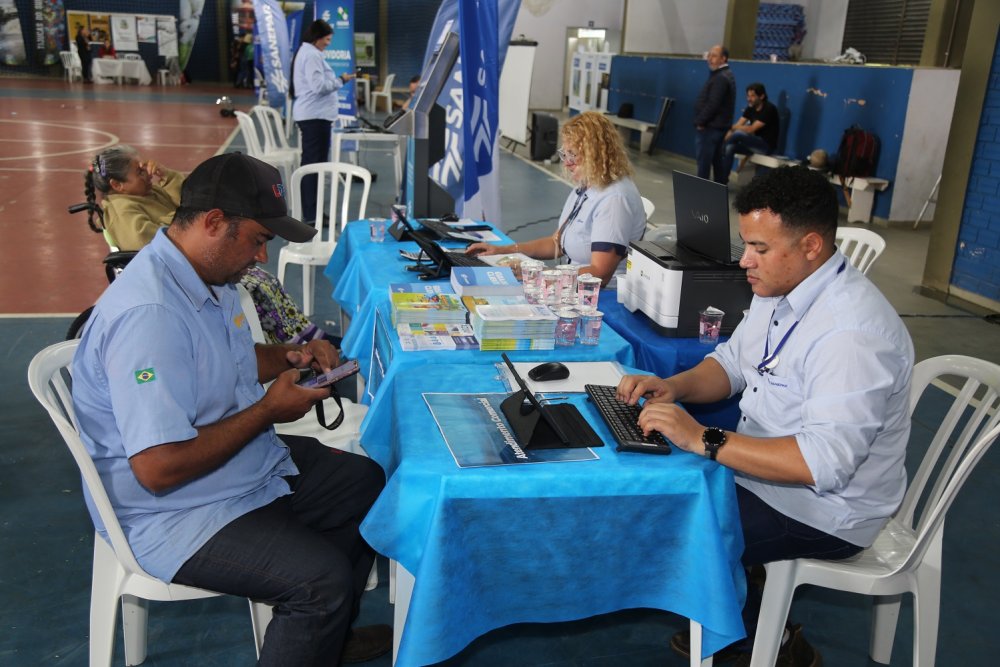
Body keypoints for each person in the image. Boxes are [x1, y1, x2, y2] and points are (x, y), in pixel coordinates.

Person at [72, 153, 391, 665]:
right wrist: (267, 412)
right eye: (258, 239)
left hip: (233, 469)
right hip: (172, 512)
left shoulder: (205, 277)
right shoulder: (150, 317)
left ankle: (322, 640)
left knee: (364, 482)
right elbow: (158, 468)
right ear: (214, 222)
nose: (262, 255)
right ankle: (319, 620)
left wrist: (290, 356)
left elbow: (228, 358)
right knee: (319, 583)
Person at [617, 166, 913, 666]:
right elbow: (732, 364)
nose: (744, 261)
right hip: (763, 475)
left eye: (759, 248)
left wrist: (704, 438)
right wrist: (675, 386)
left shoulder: (852, 336)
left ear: (811, 246)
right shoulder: (781, 289)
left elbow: (821, 464)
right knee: (656, 490)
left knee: (672, 524)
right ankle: (744, 610)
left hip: (824, 511)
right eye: (745, 244)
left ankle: (764, 641)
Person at [84, 145, 336, 346]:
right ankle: (288, 341)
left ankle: (305, 335)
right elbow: (152, 236)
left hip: (187, 258)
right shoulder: (121, 210)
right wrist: (183, 222)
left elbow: (190, 201)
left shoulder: (151, 193)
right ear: (117, 185)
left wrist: (166, 177)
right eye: (139, 172)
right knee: (256, 288)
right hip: (174, 267)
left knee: (267, 282)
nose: (146, 174)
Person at [465, 111, 645, 287]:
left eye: (573, 154)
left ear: (596, 154)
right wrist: (503, 251)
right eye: (565, 154)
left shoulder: (614, 199)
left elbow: (600, 274)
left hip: (599, 294)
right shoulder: (587, 185)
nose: (566, 162)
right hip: (571, 284)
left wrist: (538, 275)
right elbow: (557, 243)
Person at [291, 19, 356, 222]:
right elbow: (318, 86)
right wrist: (340, 80)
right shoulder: (311, 55)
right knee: (313, 166)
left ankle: (312, 210)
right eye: (326, 39)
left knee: (313, 164)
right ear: (317, 38)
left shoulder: (307, 52)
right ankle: (311, 213)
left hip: (314, 116)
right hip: (315, 117)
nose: (328, 43)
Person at [694, 44, 736, 184]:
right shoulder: (724, 75)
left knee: (704, 165)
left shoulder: (721, 77)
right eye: (709, 55)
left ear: (723, 58)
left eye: (714, 56)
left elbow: (713, 104)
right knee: (717, 164)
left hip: (711, 128)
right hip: (717, 128)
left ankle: (702, 192)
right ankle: (718, 191)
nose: (710, 59)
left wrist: (700, 122)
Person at [722, 82, 780, 178]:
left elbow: (750, 129)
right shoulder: (750, 108)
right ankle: (722, 180)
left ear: (761, 96)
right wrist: (725, 139)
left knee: (738, 134)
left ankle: (719, 151)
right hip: (752, 144)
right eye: (748, 96)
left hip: (766, 146)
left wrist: (732, 128)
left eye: (752, 96)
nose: (749, 99)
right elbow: (738, 125)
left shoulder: (769, 109)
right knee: (730, 148)